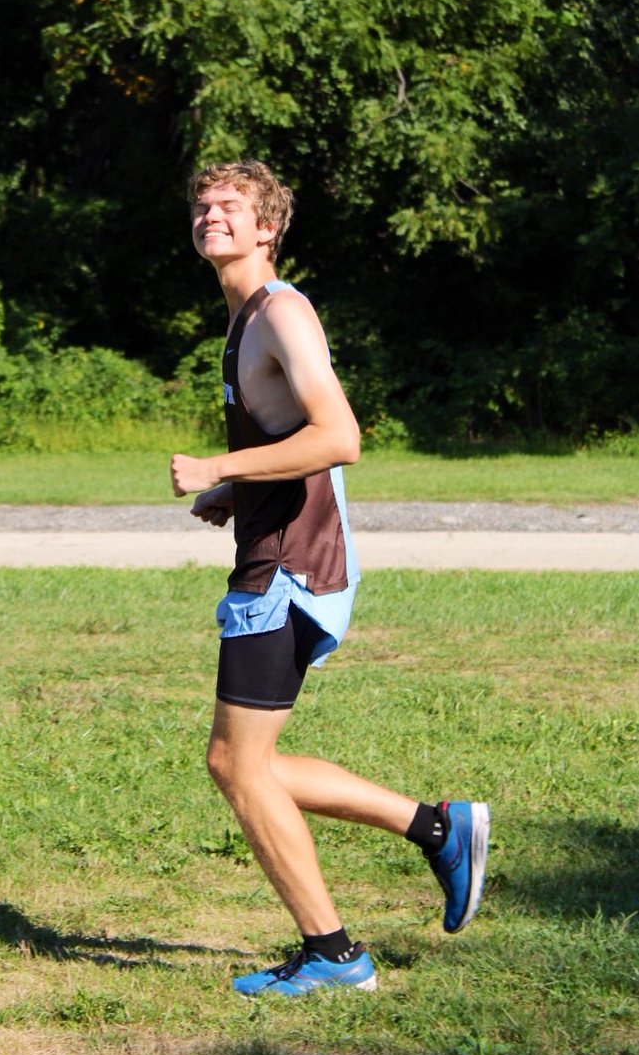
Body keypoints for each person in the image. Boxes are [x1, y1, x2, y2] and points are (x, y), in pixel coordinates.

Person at [170, 159, 489, 998]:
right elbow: (293, 438)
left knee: (237, 767)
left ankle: (335, 955)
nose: (212, 216)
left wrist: (220, 460)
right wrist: (236, 489)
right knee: (249, 763)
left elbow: (339, 435)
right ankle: (437, 827)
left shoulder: (281, 312)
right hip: (278, 554)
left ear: (266, 227)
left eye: (230, 207)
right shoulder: (244, 317)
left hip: (290, 568)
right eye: (203, 206)